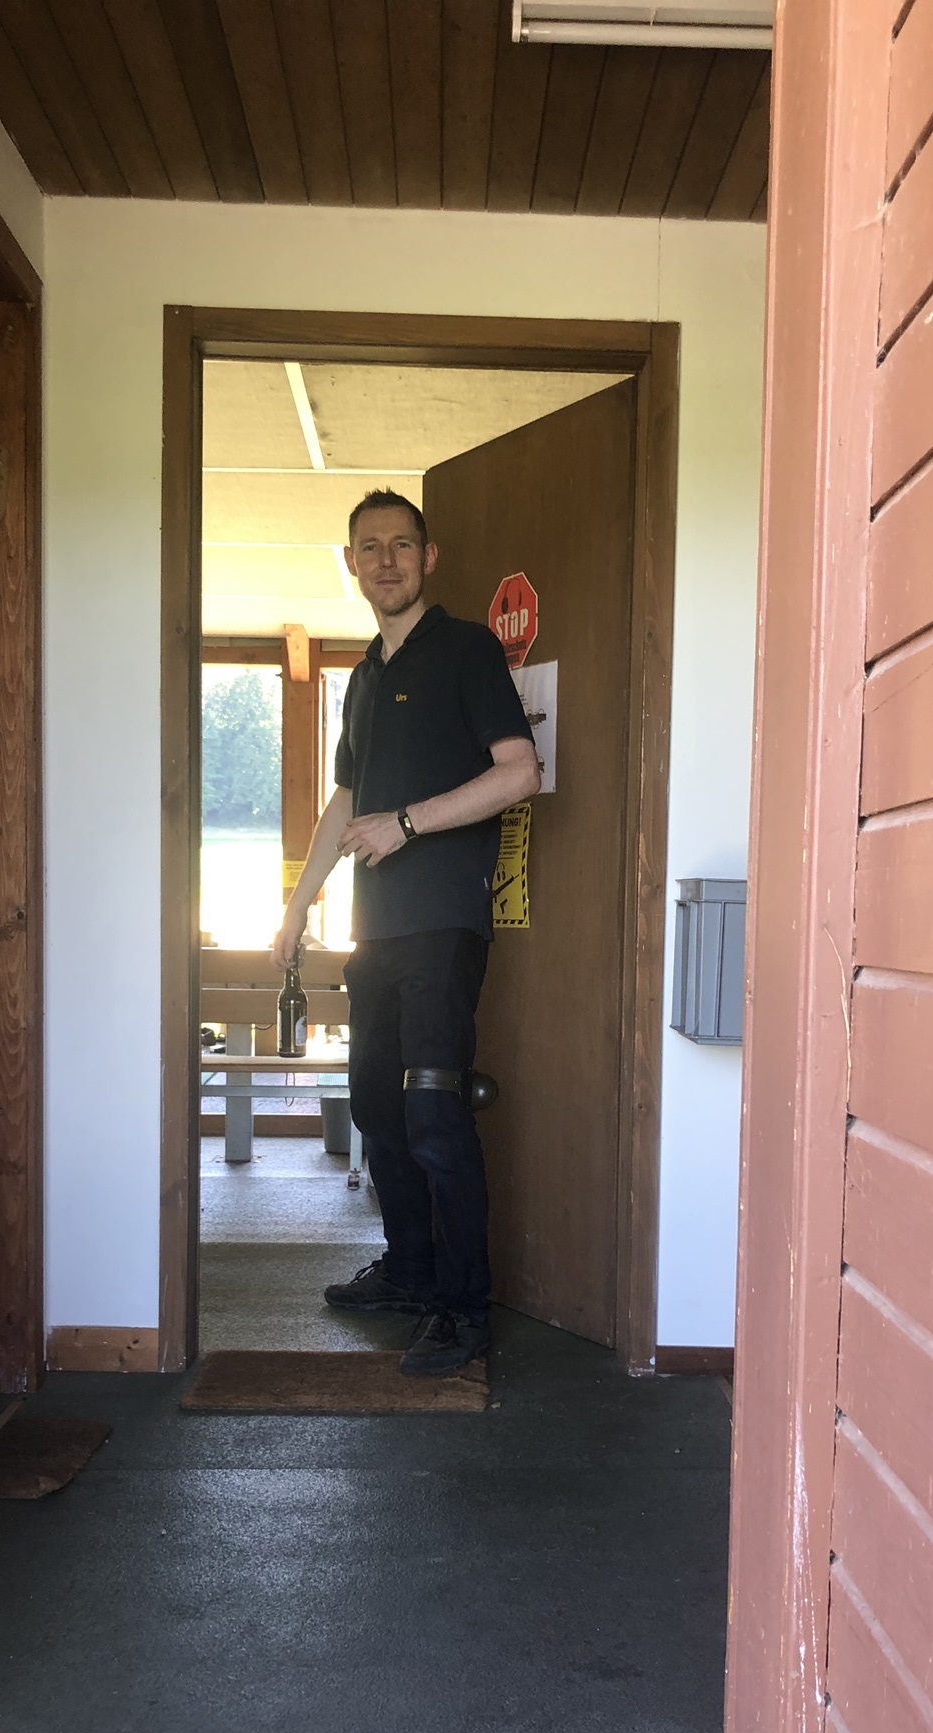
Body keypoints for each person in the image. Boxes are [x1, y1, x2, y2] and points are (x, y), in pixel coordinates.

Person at [272, 489, 540, 1376]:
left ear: (428, 558)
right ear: (351, 563)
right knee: (378, 1112)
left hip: (441, 928)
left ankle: (463, 1313)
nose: (385, 561)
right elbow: (346, 800)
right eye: (369, 547)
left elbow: (520, 773)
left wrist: (409, 824)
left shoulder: (466, 650)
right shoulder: (362, 676)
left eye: (400, 545)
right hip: (375, 934)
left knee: (432, 1114)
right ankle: (411, 1271)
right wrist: (298, 905)